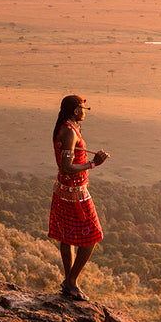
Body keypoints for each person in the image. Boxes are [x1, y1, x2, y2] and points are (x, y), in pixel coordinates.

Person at [49, 94, 109, 301]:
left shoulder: (67, 128)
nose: (85, 111)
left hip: (64, 191)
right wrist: (93, 164)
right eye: (84, 108)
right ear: (76, 111)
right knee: (93, 236)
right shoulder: (68, 132)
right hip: (75, 194)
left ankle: (69, 282)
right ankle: (71, 281)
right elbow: (66, 166)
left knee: (67, 237)